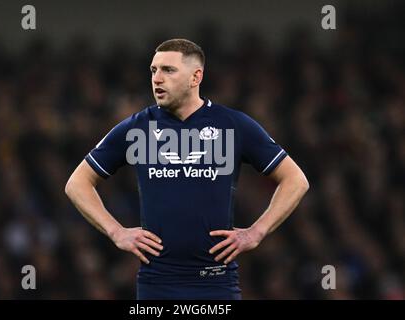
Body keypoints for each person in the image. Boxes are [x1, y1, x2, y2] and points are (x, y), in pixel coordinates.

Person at [65, 38, 309, 300]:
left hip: (216, 283)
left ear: (196, 77)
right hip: (156, 284)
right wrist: (116, 231)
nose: (157, 78)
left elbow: (295, 179)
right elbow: (77, 183)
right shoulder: (138, 128)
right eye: (153, 70)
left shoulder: (232, 125)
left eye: (168, 70)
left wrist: (256, 232)